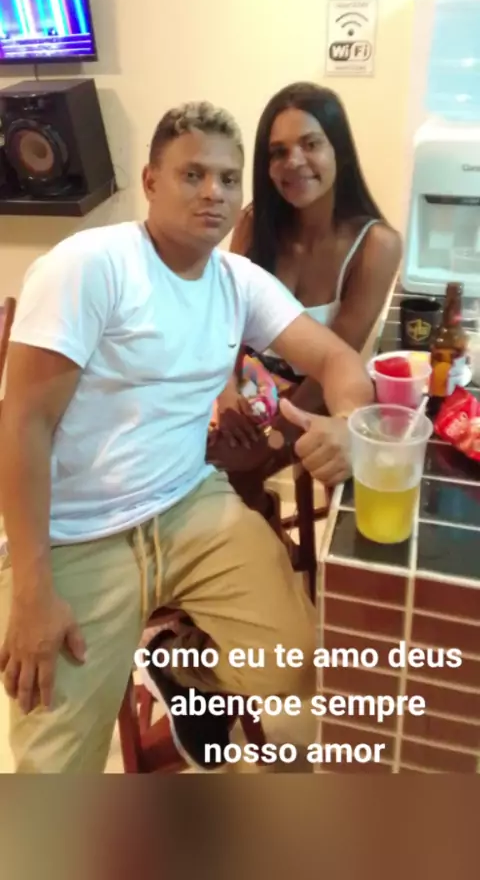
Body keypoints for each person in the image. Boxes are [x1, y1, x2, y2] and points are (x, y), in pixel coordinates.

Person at [0, 101, 374, 775]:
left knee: (299, 671)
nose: (214, 193)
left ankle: (184, 669)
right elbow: (22, 423)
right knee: (54, 766)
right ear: (150, 181)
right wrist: (31, 592)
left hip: (188, 503)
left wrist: (348, 425)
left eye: (228, 179)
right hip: (76, 532)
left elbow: (339, 361)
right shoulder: (89, 265)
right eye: (193, 174)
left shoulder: (237, 281)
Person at [215, 82, 402, 459]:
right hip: (247, 392)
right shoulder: (253, 223)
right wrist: (225, 393)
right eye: (278, 152)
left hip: (318, 406)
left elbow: (333, 364)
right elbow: (226, 323)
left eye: (311, 144)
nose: (294, 161)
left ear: (340, 152)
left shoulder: (376, 245)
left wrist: (273, 439)